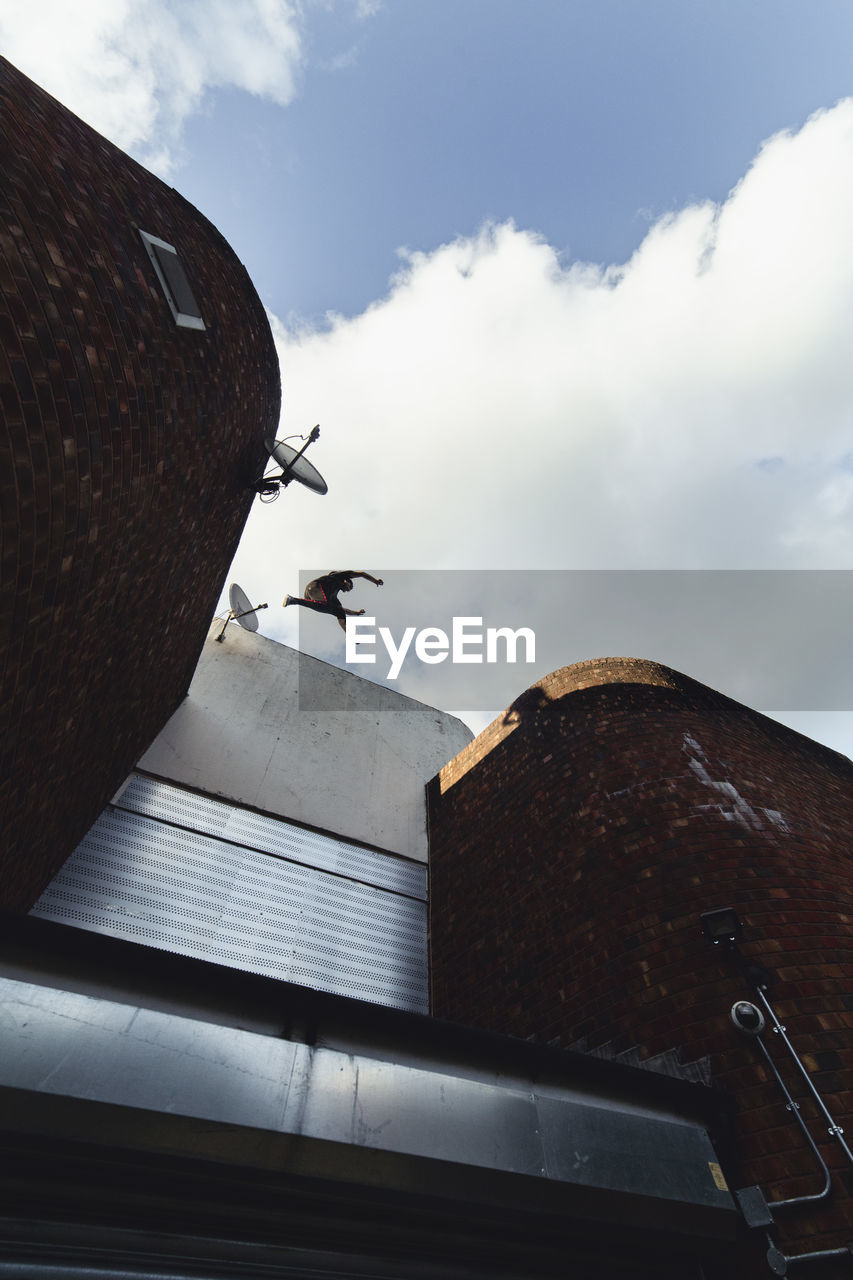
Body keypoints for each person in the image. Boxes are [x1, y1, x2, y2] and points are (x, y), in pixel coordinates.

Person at [283, 571, 384, 631]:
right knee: (330, 605)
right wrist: (375, 581)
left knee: (338, 610)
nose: (347, 591)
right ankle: (293, 600)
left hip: (312, 596)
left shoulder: (333, 597)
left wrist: (356, 613)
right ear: (347, 581)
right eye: (349, 588)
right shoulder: (341, 576)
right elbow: (361, 574)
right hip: (316, 586)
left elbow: (343, 610)